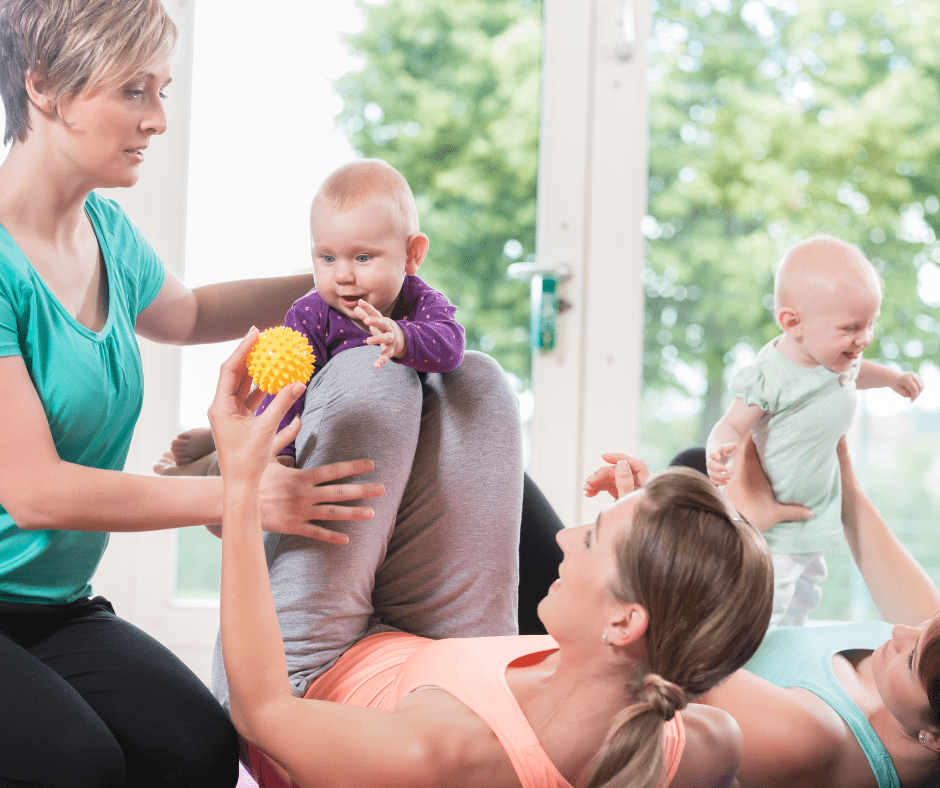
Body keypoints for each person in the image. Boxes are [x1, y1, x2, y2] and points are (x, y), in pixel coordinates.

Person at [0, 2, 379, 785]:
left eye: (162, 91)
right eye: (134, 93)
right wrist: (237, 496)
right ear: (42, 86)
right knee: (77, 764)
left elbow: (193, 312)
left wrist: (342, 280)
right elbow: (33, 492)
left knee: (199, 752)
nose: (159, 120)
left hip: (52, 607)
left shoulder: (104, 233)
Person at [208, 331, 776, 788]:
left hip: (302, 676)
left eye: (590, 538)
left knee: (372, 380)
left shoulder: (436, 755)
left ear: (626, 621)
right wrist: (652, 529)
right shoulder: (707, 739)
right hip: (438, 652)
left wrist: (240, 486)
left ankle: (208, 462)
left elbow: (261, 711)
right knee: (475, 383)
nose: (562, 537)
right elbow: (699, 624)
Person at [587, 437, 940, 788]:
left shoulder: (811, 743)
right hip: (713, 625)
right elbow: (851, 505)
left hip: (646, 637)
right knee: (696, 461)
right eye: (923, 627)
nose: (899, 631)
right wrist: (835, 471)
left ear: (934, 738)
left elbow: (675, 640)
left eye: (910, 659)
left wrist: (653, 528)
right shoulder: (928, 665)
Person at [161, 157, 465, 468]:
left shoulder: (421, 302)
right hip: (317, 420)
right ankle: (218, 443)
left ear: (411, 254)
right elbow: (290, 394)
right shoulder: (311, 315)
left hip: (404, 430)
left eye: (362, 257)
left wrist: (402, 337)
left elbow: (451, 347)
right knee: (271, 402)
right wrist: (282, 456)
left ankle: (222, 436)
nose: (343, 275)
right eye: (328, 258)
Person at [704, 235, 924, 626]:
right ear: (792, 323)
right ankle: (752, 676)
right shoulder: (772, 376)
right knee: (764, 612)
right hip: (772, 528)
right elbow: (732, 423)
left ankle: (789, 658)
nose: (865, 339)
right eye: (851, 328)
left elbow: (859, 372)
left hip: (814, 519)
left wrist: (892, 378)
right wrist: (719, 448)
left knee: (805, 599)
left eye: (871, 323)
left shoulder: (837, 359)